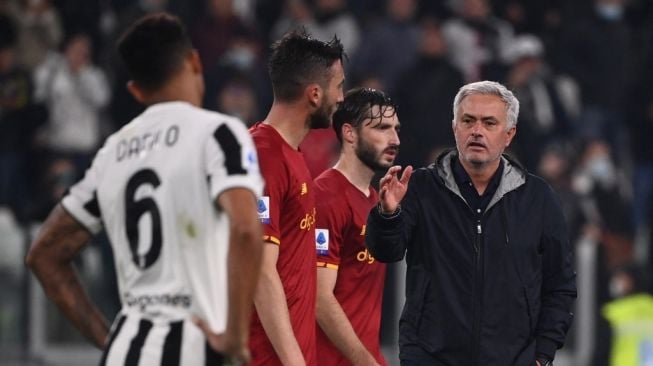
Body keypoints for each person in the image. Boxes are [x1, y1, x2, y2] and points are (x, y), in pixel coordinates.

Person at [26, 13, 264, 365]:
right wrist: (234, 337)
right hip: (193, 347)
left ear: (136, 90)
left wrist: (109, 339)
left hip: (126, 349)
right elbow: (246, 228)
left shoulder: (112, 152)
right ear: (194, 61)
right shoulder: (218, 133)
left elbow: (43, 255)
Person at [366, 80, 577, 365]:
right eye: (468, 121)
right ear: (455, 128)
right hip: (430, 356)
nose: (477, 131)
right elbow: (386, 252)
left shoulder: (537, 197)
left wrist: (542, 355)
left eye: (489, 123)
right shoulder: (420, 187)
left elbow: (560, 285)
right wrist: (388, 214)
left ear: (509, 134)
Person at [248, 30, 345, 365]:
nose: (342, 98)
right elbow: (260, 269)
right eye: (339, 86)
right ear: (315, 94)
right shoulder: (264, 156)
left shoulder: (290, 154)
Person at [314, 88, 400, 366]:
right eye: (382, 128)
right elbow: (320, 297)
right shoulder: (325, 197)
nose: (394, 139)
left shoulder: (375, 200)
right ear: (349, 133)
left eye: (396, 129)